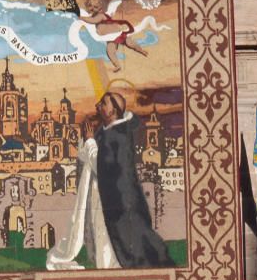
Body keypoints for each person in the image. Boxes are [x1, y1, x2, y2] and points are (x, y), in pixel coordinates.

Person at [47, 92, 172, 270]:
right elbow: (88, 157)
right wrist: (88, 141)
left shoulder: (119, 137)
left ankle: (111, 275)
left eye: (102, 103)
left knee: (110, 241)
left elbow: (103, 167)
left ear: (112, 110)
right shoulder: (104, 132)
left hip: (115, 200)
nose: (97, 105)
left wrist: (90, 141)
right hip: (102, 195)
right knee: (102, 238)